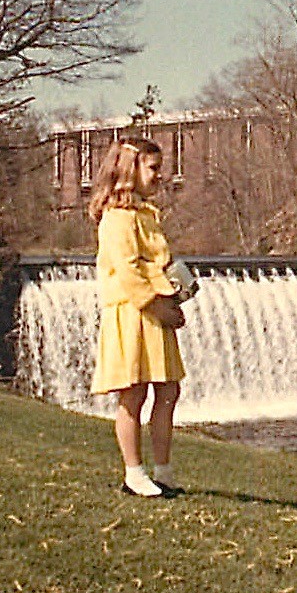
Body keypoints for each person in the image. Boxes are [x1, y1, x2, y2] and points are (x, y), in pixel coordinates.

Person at [87, 137, 187, 498]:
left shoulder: (147, 215)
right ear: (130, 171)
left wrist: (175, 293)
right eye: (153, 168)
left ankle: (163, 469)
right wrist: (156, 304)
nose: (160, 176)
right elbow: (128, 272)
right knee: (133, 395)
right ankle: (134, 472)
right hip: (132, 314)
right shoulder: (116, 218)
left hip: (156, 313)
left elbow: (155, 262)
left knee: (168, 390)